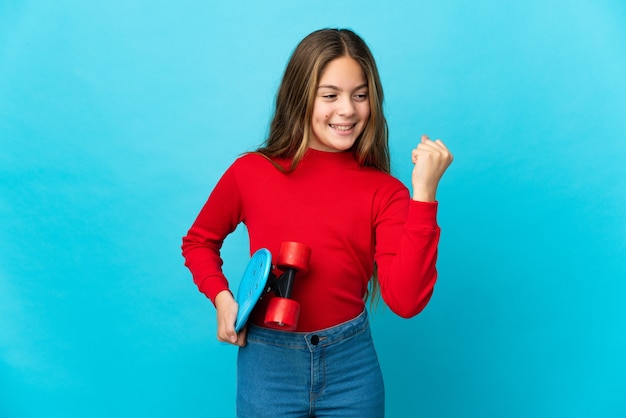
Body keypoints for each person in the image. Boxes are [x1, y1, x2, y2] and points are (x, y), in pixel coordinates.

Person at [182, 28, 453, 417]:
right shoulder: (251, 172)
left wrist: (424, 194)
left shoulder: (386, 192)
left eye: (360, 95)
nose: (347, 110)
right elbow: (198, 242)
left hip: (352, 365)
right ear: (299, 97)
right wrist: (223, 300)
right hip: (267, 363)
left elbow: (406, 301)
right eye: (330, 95)